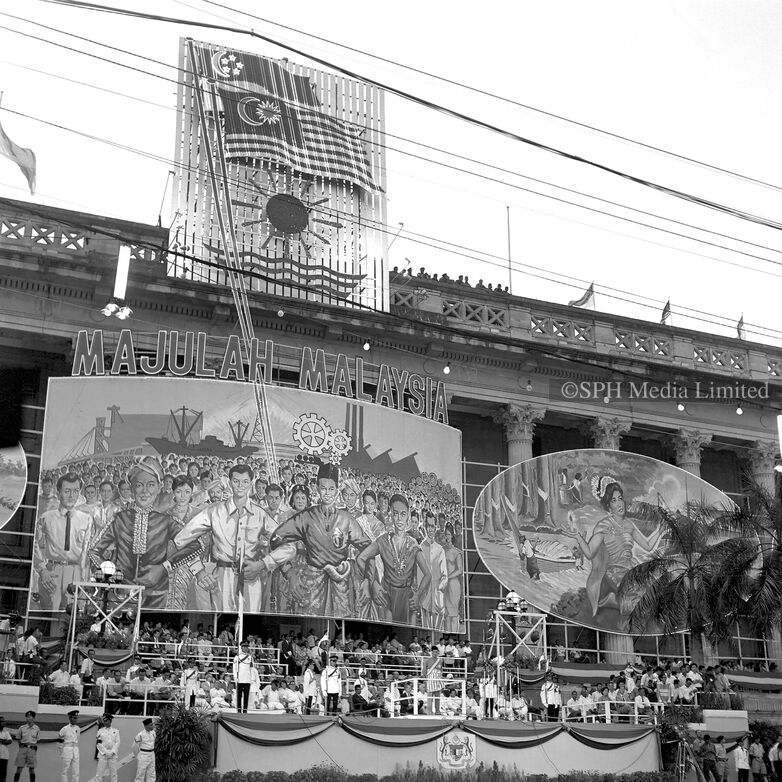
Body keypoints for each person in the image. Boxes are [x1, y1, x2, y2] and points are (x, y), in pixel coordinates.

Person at [169, 465, 296, 612]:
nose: (240, 486)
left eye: (245, 482)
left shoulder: (260, 515)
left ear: (250, 484)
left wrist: (262, 564)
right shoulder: (214, 511)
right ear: (229, 483)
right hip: (222, 577)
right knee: (222, 622)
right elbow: (181, 539)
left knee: (250, 625)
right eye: (236, 481)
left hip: (251, 577)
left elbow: (289, 546)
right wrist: (199, 571)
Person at [270, 464, 371, 617]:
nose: (327, 493)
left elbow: (368, 548)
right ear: (317, 488)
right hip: (311, 585)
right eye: (323, 488)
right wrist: (289, 573)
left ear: (337, 491)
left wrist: (367, 581)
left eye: (331, 489)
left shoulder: (346, 520)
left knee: (340, 630)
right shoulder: (306, 517)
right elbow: (276, 539)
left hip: (340, 587)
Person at [564, 476, 663, 625]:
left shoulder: (629, 524)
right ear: (608, 506)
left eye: (620, 498)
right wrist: (578, 537)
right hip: (613, 577)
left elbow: (648, 545)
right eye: (614, 500)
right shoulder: (603, 525)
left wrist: (660, 530)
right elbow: (590, 553)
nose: (619, 503)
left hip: (630, 575)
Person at [90, 457, 179, 608]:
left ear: (159, 487)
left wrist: (164, 567)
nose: (145, 491)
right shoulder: (120, 519)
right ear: (131, 489)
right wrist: (112, 573)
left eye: (151, 485)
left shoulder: (166, 521)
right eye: (139, 485)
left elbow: (194, 545)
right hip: (123, 595)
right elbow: (94, 551)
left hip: (157, 595)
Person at [355, 494, 432, 625]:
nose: (399, 518)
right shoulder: (383, 540)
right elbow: (361, 558)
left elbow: (428, 574)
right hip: (387, 596)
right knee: (388, 631)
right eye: (395, 514)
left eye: (403, 514)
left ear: (408, 515)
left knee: (409, 635)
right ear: (391, 514)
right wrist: (373, 583)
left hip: (407, 598)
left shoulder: (413, 544)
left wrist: (418, 595)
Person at [33, 473, 93, 611]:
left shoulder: (86, 519)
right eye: (67, 491)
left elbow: (86, 550)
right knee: (49, 611)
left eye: (76, 491)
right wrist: (42, 570)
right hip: (52, 571)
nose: (72, 495)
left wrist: (84, 579)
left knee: (73, 613)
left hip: (75, 572)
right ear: (58, 492)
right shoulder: (47, 518)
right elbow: (35, 544)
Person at [418, 514, 448, 629]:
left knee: (438, 628)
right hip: (424, 597)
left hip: (437, 597)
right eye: (428, 526)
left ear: (435, 527)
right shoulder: (420, 548)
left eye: (432, 526)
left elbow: (445, 575)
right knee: (425, 628)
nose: (430, 529)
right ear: (424, 526)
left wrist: (440, 588)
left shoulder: (440, 550)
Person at [13, 710, 39, 782]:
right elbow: (18, 738)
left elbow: (38, 739)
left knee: (32, 769)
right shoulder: (22, 728)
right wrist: (21, 747)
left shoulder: (37, 728)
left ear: (33, 718)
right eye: (27, 717)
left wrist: (33, 748)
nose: (28, 718)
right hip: (23, 748)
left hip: (32, 749)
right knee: (19, 768)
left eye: (30, 717)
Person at [95, 713, 120, 782]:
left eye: (106, 721)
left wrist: (112, 752)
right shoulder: (100, 731)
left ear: (110, 721)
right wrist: (105, 752)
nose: (105, 722)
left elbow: (117, 743)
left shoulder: (116, 731)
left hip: (113, 755)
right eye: (104, 721)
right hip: (103, 755)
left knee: (114, 774)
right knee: (99, 774)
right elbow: (98, 744)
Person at [58, 710, 80, 782]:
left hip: (75, 750)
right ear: (70, 718)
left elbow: (77, 739)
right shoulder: (64, 729)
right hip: (67, 749)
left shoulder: (78, 728)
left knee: (76, 771)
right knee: (65, 770)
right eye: (74, 718)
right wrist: (61, 753)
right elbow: (59, 742)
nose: (76, 719)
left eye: (76, 718)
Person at [232, 642, 254, 713]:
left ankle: (245, 710)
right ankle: (238, 710)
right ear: (241, 648)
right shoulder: (237, 657)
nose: (246, 648)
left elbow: (251, 668)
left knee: (246, 696)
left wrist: (252, 678)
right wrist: (235, 677)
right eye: (244, 647)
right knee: (239, 696)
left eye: (247, 647)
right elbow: (235, 668)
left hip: (247, 679)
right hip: (240, 678)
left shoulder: (250, 657)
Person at [0, 716, 12, 782]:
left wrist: (1, 741)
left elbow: (10, 741)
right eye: (2, 721)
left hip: (4, 756)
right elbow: (7, 741)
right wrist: (4, 741)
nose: (4, 723)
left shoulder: (6, 732)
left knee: (3, 775)